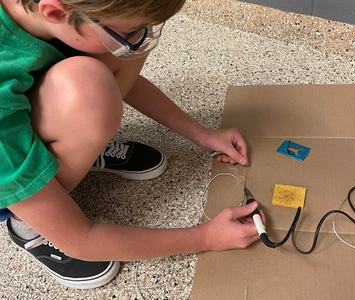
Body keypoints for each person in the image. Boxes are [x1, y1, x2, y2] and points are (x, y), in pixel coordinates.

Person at [0, 0, 263, 289]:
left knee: (122, 54)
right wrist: (207, 237)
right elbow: (80, 238)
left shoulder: (57, 13)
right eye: (128, 31)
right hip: (9, 169)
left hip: (21, 116)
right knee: (91, 85)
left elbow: (120, 73)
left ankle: (78, 145)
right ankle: (29, 228)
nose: (139, 38)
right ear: (54, 13)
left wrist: (202, 134)